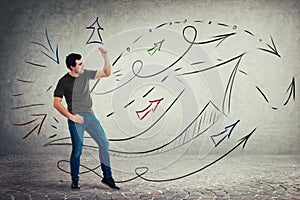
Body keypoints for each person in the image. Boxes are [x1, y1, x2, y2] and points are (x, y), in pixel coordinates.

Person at [53, 47, 119, 190]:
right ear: (72, 67)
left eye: (82, 63)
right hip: (76, 119)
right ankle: (75, 180)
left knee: (104, 144)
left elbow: (107, 73)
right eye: (80, 64)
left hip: (90, 116)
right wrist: (71, 117)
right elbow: (56, 103)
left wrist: (106, 56)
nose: (83, 65)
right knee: (77, 150)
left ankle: (107, 177)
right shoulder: (63, 82)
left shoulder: (85, 74)